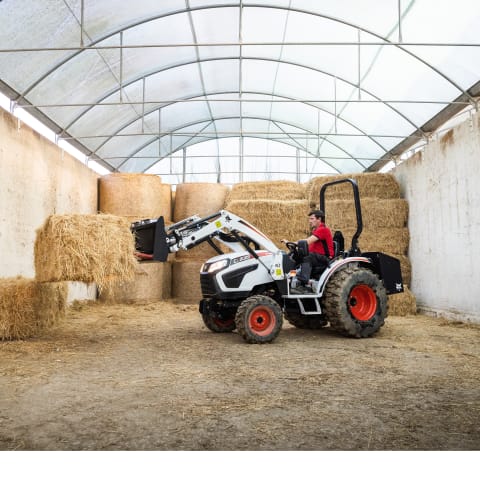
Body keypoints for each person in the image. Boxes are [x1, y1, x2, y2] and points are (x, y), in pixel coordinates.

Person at [282, 209, 334, 293]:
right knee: (295, 257)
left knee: (308, 257)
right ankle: (291, 277)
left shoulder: (323, 230)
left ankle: (304, 283)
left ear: (319, 219)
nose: (309, 221)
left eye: (312, 219)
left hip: (324, 258)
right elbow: (307, 243)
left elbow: (306, 242)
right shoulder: (315, 231)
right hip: (316, 257)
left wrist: (291, 242)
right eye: (309, 219)